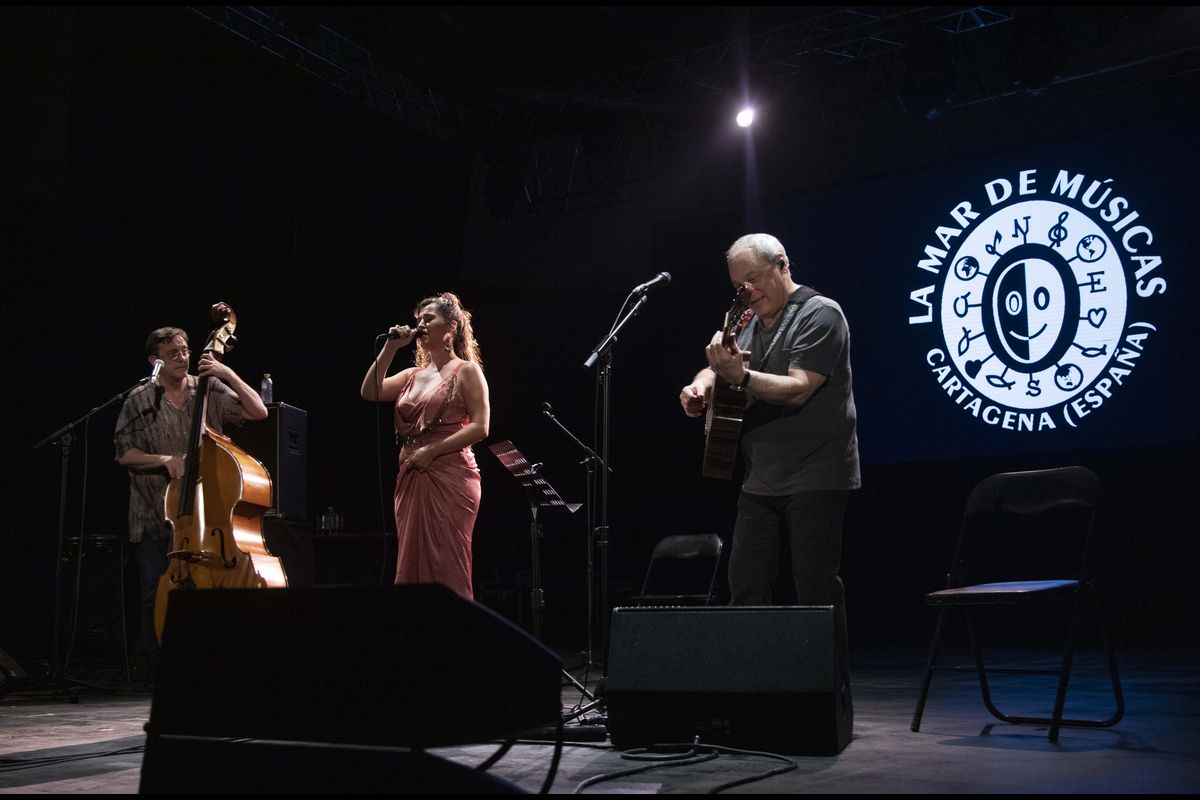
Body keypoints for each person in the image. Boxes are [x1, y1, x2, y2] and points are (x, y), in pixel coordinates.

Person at [679, 232, 860, 659]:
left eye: (754, 279)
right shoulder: (743, 319)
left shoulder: (820, 315)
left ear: (782, 264)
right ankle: (752, 686)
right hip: (761, 476)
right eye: (738, 286)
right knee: (745, 586)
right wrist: (698, 387)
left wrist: (739, 377)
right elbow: (715, 366)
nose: (747, 292)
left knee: (815, 586)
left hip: (817, 471)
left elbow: (799, 389)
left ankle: (829, 690)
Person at [113, 326, 268, 682]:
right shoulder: (138, 400)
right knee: (156, 593)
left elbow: (258, 411)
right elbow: (125, 455)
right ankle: (157, 674)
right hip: (154, 513)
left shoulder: (207, 387)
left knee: (211, 592)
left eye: (184, 351)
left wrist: (225, 371)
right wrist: (164, 459)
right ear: (155, 362)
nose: (183, 358)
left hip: (206, 516)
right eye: (173, 354)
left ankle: (209, 665)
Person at [360, 292, 490, 599]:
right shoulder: (411, 375)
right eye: (419, 319)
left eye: (428, 318)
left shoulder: (467, 371)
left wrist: (432, 450)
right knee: (411, 557)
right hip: (411, 473)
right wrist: (392, 345)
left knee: (447, 559)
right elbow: (370, 390)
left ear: (452, 327)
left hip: (450, 475)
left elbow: (480, 427)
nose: (420, 324)